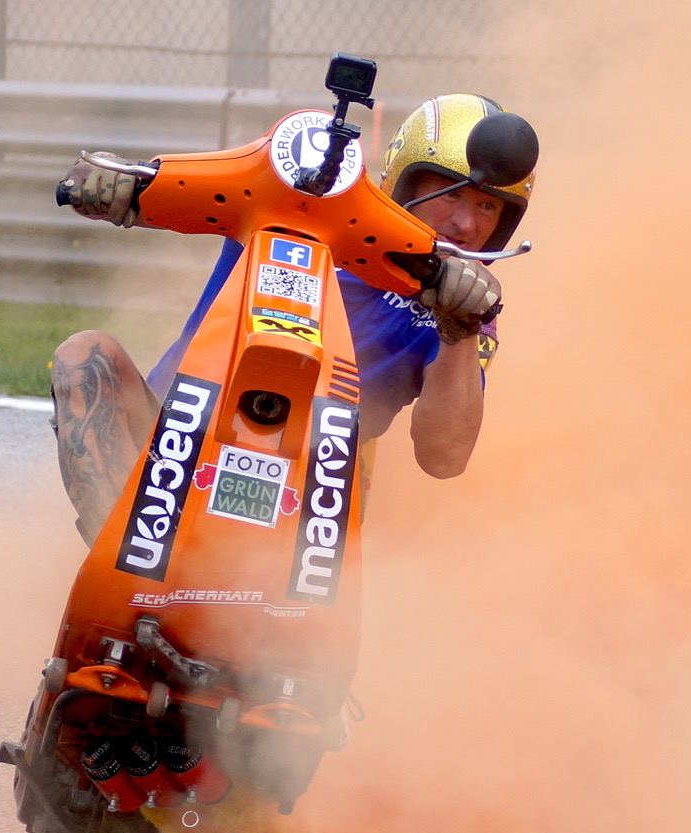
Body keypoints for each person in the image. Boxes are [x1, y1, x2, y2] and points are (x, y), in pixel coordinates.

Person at [51, 94, 534, 545]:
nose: (467, 225)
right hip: (170, 441)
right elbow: (186, 184)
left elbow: (444, 458)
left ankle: (280, 609)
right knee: (85, 358)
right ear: (404, 178)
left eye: (488, 206)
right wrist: (122, 181)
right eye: (452, 195)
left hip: (314, 490)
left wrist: (460, 331)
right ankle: (120, 552)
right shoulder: (300, 198)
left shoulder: (471, 310)